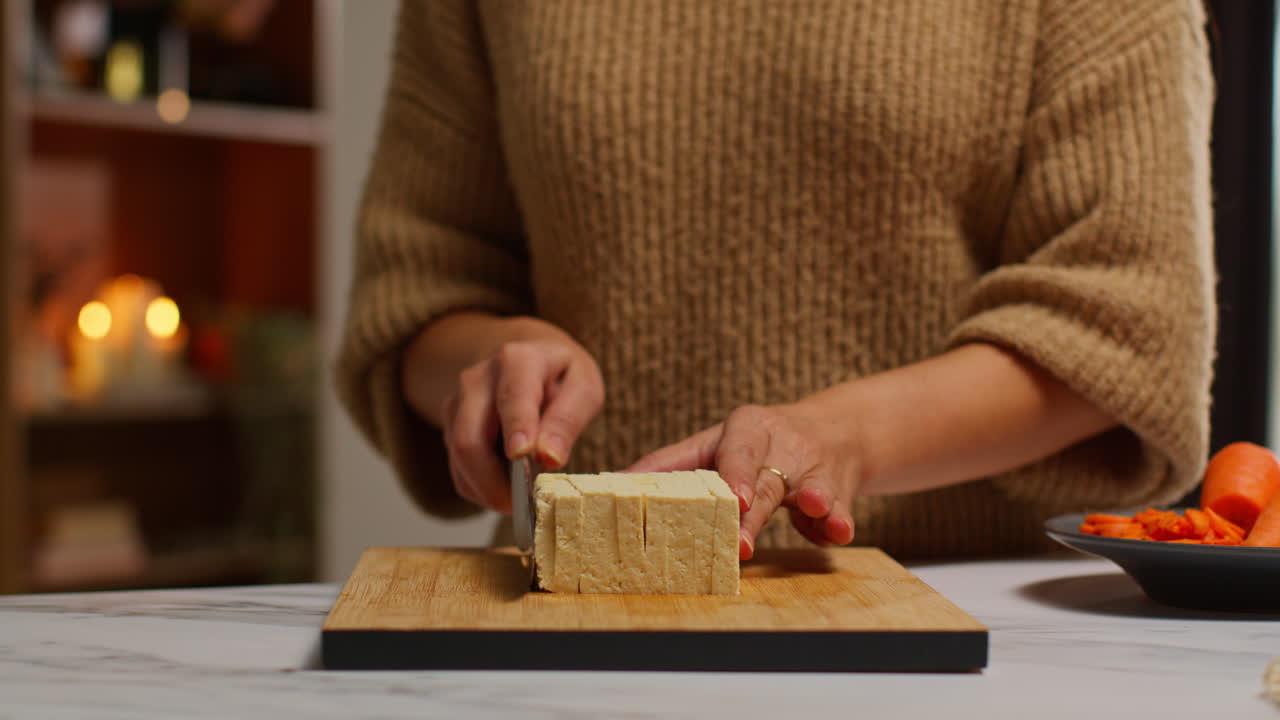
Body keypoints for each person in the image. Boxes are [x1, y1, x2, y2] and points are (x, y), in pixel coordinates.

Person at [336, 0, 1215, 560]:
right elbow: (419, 291)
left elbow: (1124, 324)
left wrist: (844, 440)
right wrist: (496, 356)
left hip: (946, 631)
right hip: (567, 636)